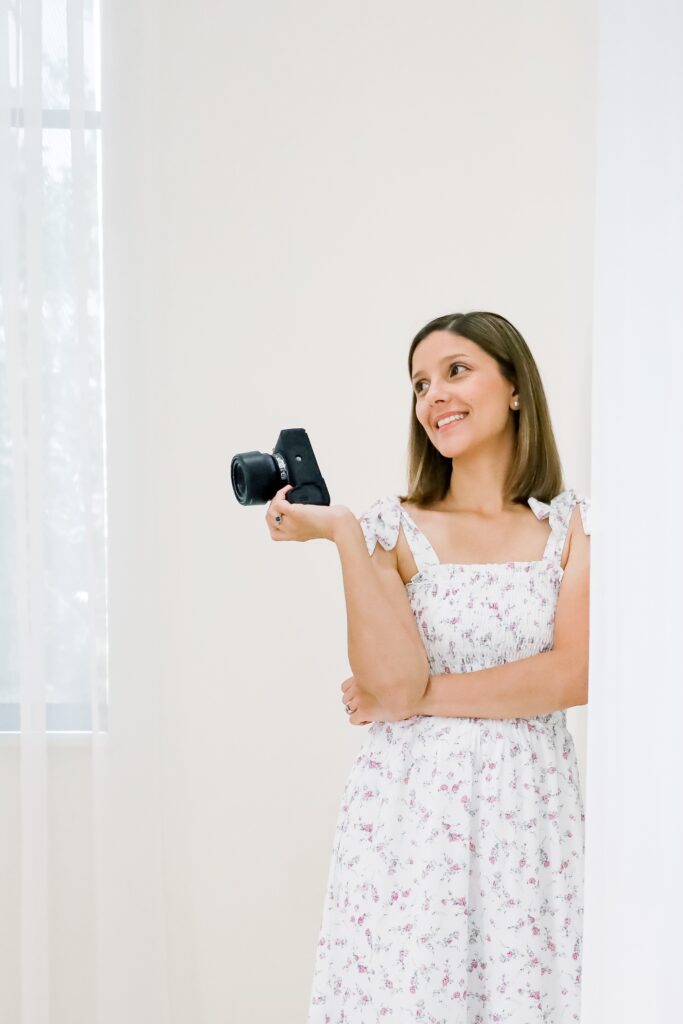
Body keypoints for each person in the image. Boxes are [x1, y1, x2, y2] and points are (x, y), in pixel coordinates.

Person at [266, 311, 590, 1023]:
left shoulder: (569, 529)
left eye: (455, 370)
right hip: (410, 816)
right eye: (419, 383)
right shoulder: (391, 529)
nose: (433, 394)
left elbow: (572, 675)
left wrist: (415, 698)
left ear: (513, 388)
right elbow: (386, 683)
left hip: (526, 816)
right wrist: (344, 534)